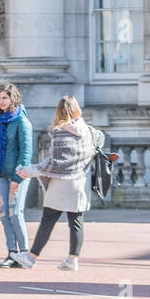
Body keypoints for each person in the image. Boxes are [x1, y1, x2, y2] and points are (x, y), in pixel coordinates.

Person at [15, 95, 104, 272]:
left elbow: (53, 162)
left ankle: (31, 258)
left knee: (48, 220)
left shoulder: (59, 131)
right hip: (80, 184)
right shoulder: (89, 131)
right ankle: (72, 260)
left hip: (60, 184)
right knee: (76, 223)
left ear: (59, 111)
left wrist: (30, 171)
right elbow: (100, 141)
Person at [0, 82, 35, 268]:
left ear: (13, 99)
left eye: (5, 98)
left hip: (18, 175)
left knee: (16, 213)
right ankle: (12, 253)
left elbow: (26, 152)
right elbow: (0, 145)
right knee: (4, 214)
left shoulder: (22, 121)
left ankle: (24, 253)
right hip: (1, 173)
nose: (2, 101)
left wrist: (18, 179)